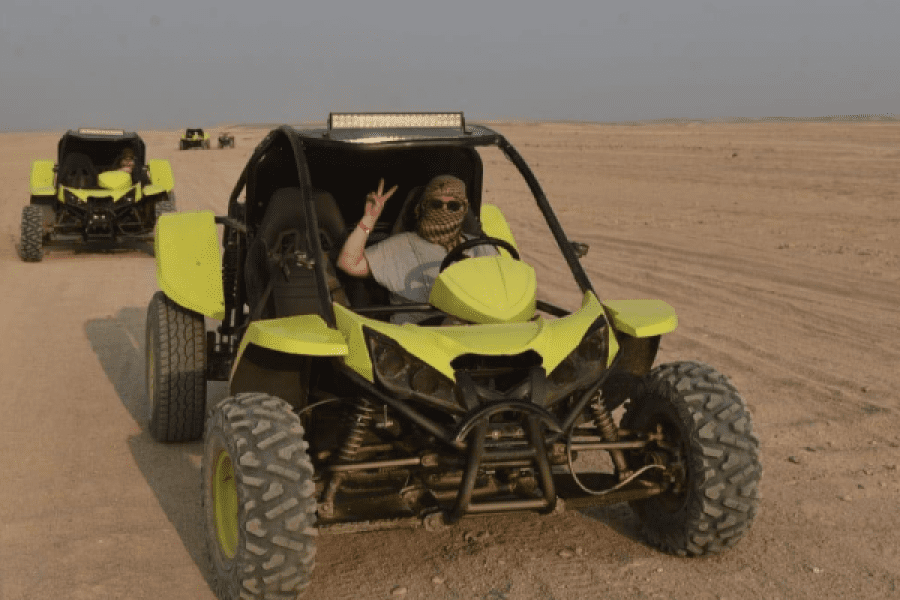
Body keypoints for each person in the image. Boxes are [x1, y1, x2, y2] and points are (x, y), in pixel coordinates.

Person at [337, 174, 496, 322]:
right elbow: (348, 263)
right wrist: (369, 219)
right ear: (424, 206)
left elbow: (503, 291)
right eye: (436, 204)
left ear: (464, 210)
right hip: (415, 336)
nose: (444, 211)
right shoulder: (400, 245)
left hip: (471, 332)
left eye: (453, 206)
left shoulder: (481, 248)